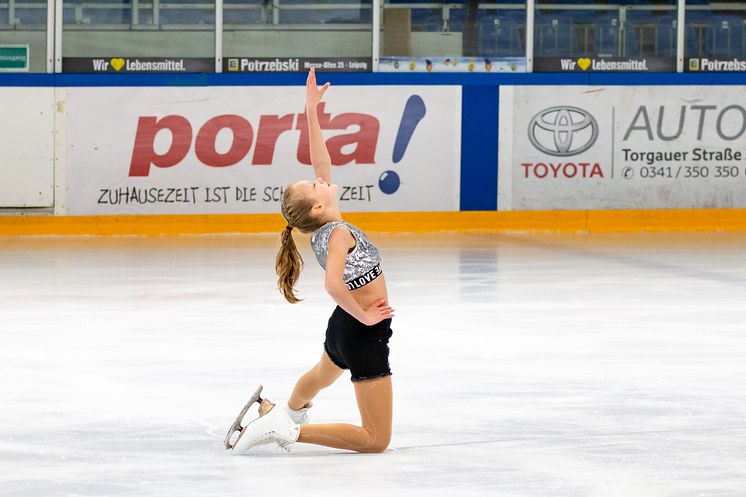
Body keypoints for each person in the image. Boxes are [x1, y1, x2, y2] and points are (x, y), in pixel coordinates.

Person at [232, 68, 395, 454]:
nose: (320, 177)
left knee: (321, 375)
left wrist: (311, 110)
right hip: (360, 330)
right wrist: (368, 316)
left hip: (343, 326)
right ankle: (285, 430)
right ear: (318, 205)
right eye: (313, 184)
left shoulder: (326, 226)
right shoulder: (338, 234)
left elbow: (320, 160)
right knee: (375, 440)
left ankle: (284, 411)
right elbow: (333, 284)